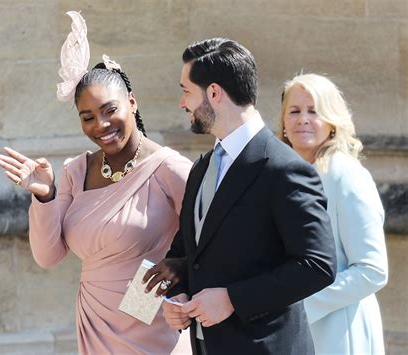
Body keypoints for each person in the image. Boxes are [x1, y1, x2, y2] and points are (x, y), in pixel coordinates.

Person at [0, 11, 192, 354]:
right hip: (95, 323)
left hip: (154, 326)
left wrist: (183, 266)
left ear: (132, 102)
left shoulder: (169, 168)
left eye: (109, 110)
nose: (100, 124)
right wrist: (46, 197)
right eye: (88, 117)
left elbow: (216, 236)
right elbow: (48, 256)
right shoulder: (74, 170)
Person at [143, 38, 337, 355]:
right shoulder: (202, 168)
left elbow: (318, 265)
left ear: (215, 94)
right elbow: (187, 254)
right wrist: (178, 295)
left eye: (187, 91)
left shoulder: (285, 169)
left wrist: (233, 298)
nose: (183, 103)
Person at [278, 73, 388, 354]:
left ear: (332, 123)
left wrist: (296, 304)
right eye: (294, 111)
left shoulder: (347, 176)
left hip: (341, 334)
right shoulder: (281, 177)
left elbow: (372, 270)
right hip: (294, 335)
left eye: (314, 111)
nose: (303, 118)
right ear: (283, 122)